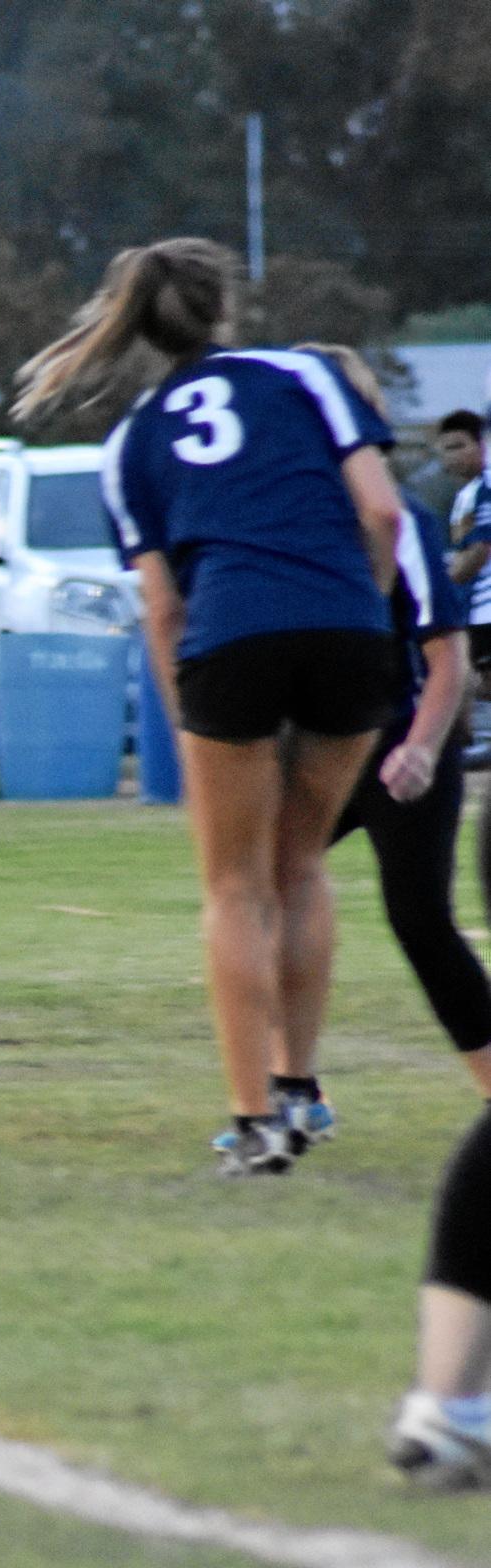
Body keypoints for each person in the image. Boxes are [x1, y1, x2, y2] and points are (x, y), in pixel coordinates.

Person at [14, 238, 405, 1176]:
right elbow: (383, 514)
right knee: (301, 863)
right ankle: (300, 1093)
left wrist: (184, 699)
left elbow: (161, 605)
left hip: (227, 640)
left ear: (140, 324)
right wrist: (366, 607)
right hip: (347, 626)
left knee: (233, 886)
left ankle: (252, 1124)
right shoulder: (307, 375)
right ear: (225, 308)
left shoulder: (130, 442)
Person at [274, 349, 491, 1121]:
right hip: (319, 751)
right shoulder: (280, 525)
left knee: (420, 921)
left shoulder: (402, 524)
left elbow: (448, 661)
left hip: (401, 747)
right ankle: (292, 1089)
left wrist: (423, 748)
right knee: (259, 894)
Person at [436, 412, 491, 672]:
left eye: (459, 446)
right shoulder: (467, 493)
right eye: (446, 449)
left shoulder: (485, 487)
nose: (452, 455)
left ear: (481, 445)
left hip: (484, 612)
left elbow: (480, 550)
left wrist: (440, 588)